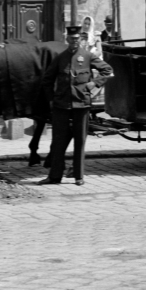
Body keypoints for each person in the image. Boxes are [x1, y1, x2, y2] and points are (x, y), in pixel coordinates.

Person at [38, 25, 113, 186]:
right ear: (67, 39)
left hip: (82, 104)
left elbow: (107, 70)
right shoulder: (60, 57)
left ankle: (79, 176)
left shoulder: (87, 56)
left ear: (81, 40)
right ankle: (54, 176)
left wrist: (94, 84)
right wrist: (51, 99)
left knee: (80, 140)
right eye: (72, 39)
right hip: (61, 105)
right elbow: (47, 80)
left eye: (77, 39)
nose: (74, 42)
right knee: (58, 141)